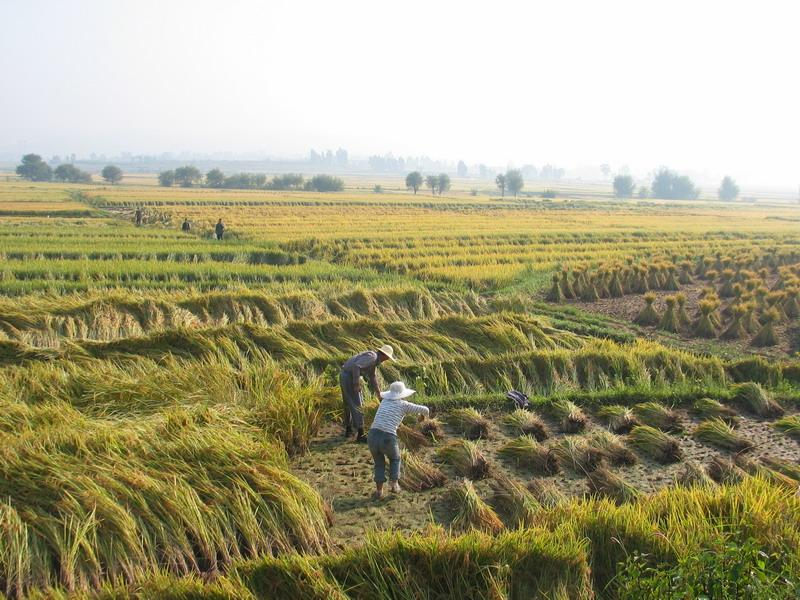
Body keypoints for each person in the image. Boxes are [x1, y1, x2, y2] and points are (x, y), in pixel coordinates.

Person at [368, 381, 429, 499]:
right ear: (402, 394)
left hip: (372, 435)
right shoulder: (403, 404)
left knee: (379, 464)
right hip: (387, 437)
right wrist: (423, 417)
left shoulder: (384, 402)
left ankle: (379, 492)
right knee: (395, 459)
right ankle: (394, 484)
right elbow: (425, 409)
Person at [340, 344, 395, 442]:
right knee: (358, 404)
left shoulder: (374, 360)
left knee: (349, 403)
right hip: (349, 376)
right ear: (384, 355)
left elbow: (373, 377)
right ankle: (361, 435)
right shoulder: (372, 357)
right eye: (387, 357)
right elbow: (356, 366)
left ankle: (349, 429)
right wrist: (356, 383)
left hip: (346, 375)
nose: (387, 359)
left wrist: (379, 393)